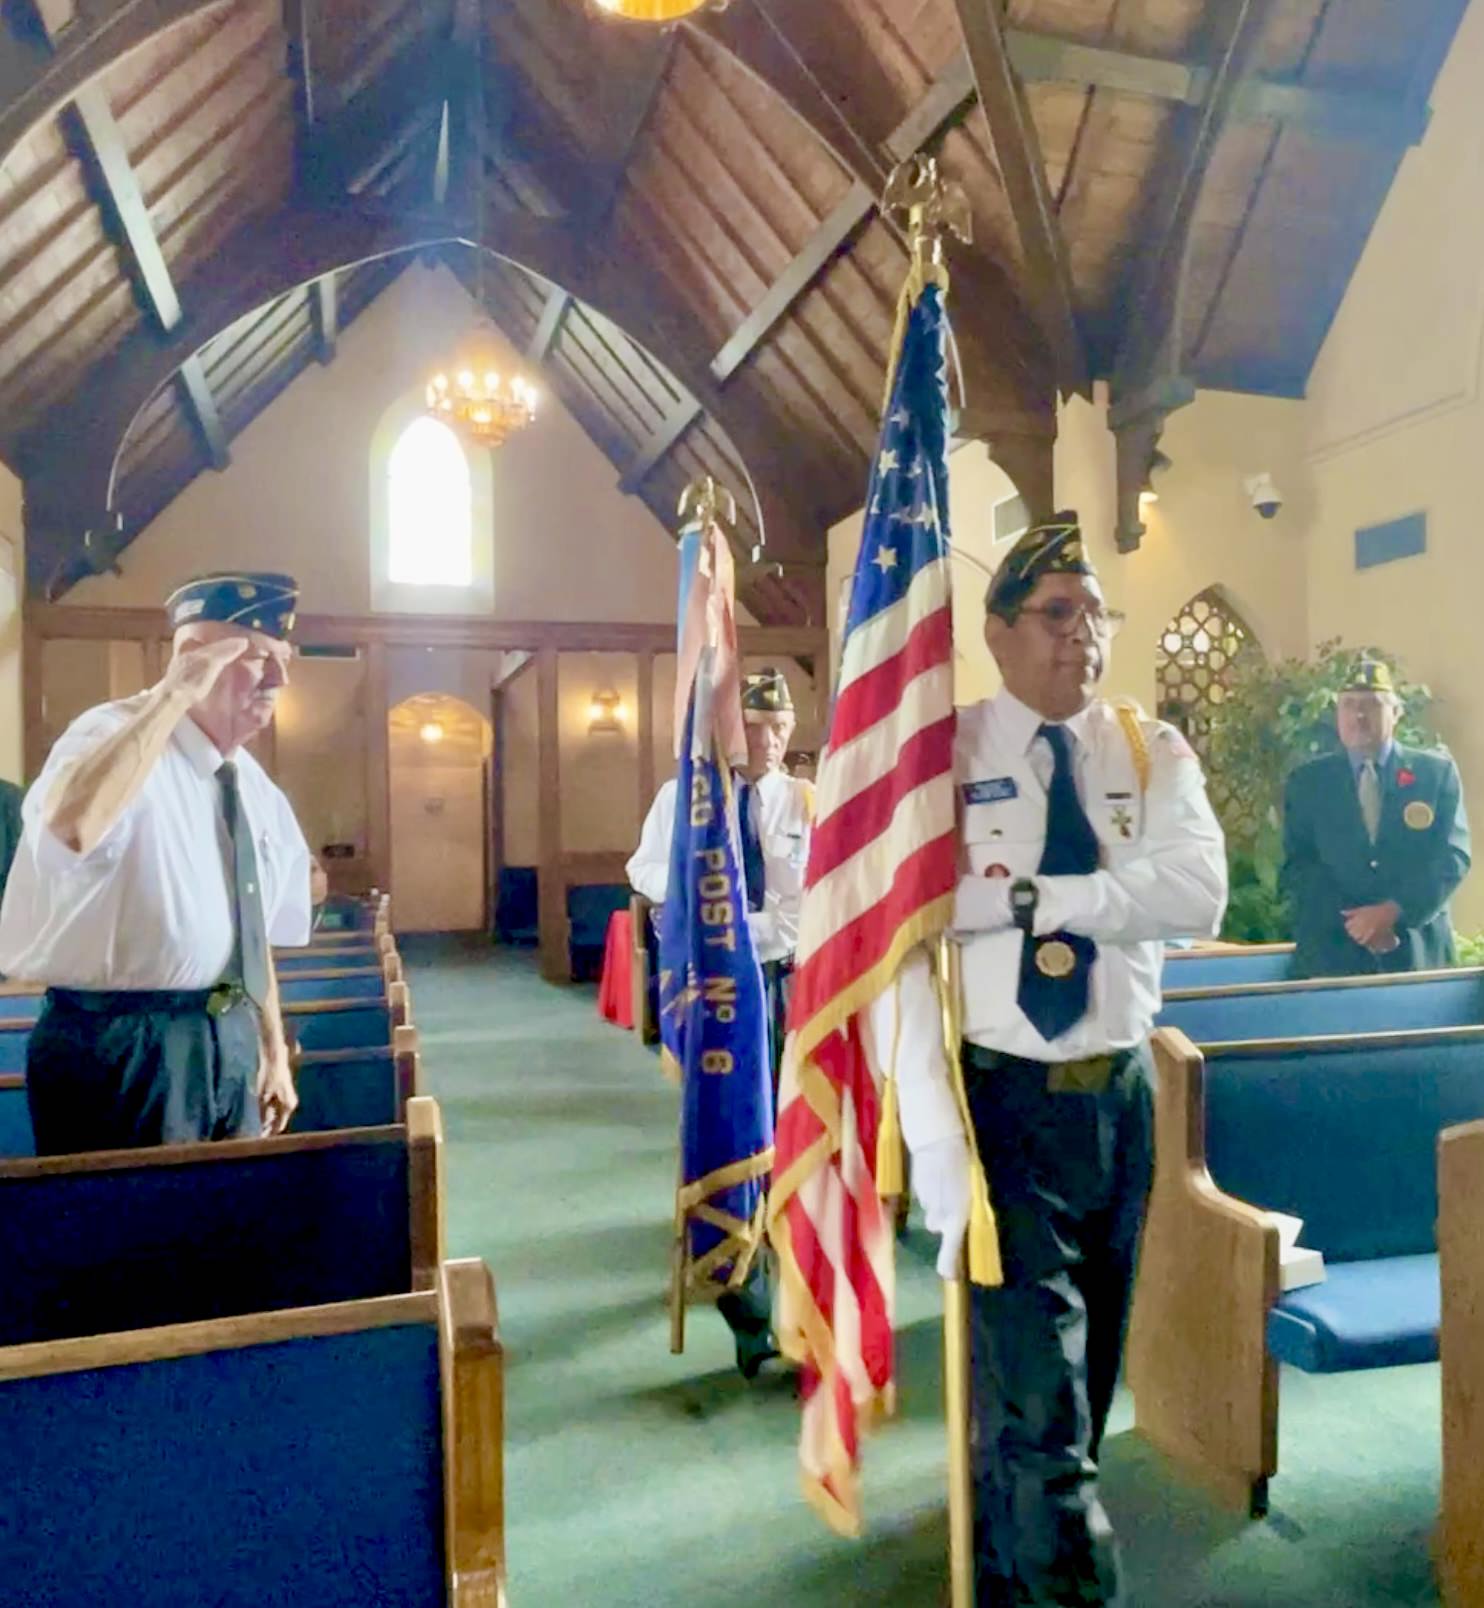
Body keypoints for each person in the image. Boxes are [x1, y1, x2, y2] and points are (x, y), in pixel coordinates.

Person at [880, 515, 1227, 1605]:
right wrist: (932, 1137)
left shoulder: (1145, 749)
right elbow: (904, 953)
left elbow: (1196, 897)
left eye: (1095, 615)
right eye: (1054, 613)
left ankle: (1002, 1564)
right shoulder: (942, 756)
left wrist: (1025, 900)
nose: (1082, 636)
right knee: (1047, 1408)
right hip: (1002, 1111)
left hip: (1120, 1104)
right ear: (996, 632)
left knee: (1081, 1376)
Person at [0, 572, 312, 1155]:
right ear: (192, 657)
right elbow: (71, 828)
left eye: (285, 659)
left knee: (226, 1222)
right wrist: (173, 696)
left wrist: (273, 1051)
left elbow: (252, 930)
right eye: (259, 658)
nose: (280, 678)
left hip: (226, 1032)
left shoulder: (249, 781)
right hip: (126, 1045)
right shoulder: (110, 734)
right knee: (131, 1235)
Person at [626, 665, 813, 1377]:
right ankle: (747, 1308)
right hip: (718, 1000)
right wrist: (689, 887)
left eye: (779, 725)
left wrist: (746, 933)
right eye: (753, 725)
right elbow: (641, 868)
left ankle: (787, 1286)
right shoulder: (686, 798)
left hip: (785, 989)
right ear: (730, 729)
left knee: (791, 1140)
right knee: (730, 1135)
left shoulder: (804, 802)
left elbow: (804, 911)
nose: (767, 739)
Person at [1282, 658, 1470, 977]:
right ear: (1337, 715)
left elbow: (1452, 857)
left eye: (1372, 705)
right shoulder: (1308, 782)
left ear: (1396, 713)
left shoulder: (1435, 775)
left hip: (1416, 950)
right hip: (1332, 955)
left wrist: (1393, 912)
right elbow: (1299, 865)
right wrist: (1360, 923)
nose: (1359, 716)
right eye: (1349, 705)